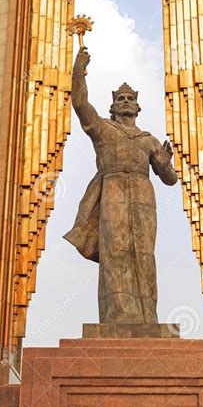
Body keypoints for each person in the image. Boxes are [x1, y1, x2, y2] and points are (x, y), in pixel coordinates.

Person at [64, 45, 178, 324]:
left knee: (143, 253)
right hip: (112, 191)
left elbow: (171, 179)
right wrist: (79, 71)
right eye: (120, 99)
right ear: (112, 107)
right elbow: (80, 104)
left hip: (143, 195)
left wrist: (163, 164)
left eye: (130, 98)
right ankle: (117, 317)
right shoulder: (104, 129)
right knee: (115, 251)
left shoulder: (148, 139)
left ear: (138, 107)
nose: (125, 101)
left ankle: (147, 316)